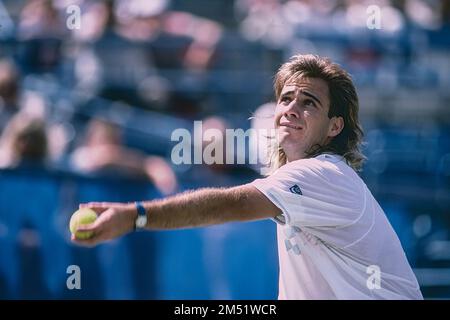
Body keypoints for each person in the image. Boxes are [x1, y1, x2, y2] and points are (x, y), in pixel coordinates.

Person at [72, 54, 423, 300]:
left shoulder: (325, 173)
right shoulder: (303, 180)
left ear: (335, 126)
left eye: (309, 102)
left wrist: (136, 216)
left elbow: (234, 203)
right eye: (287, 98)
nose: (291, 108)